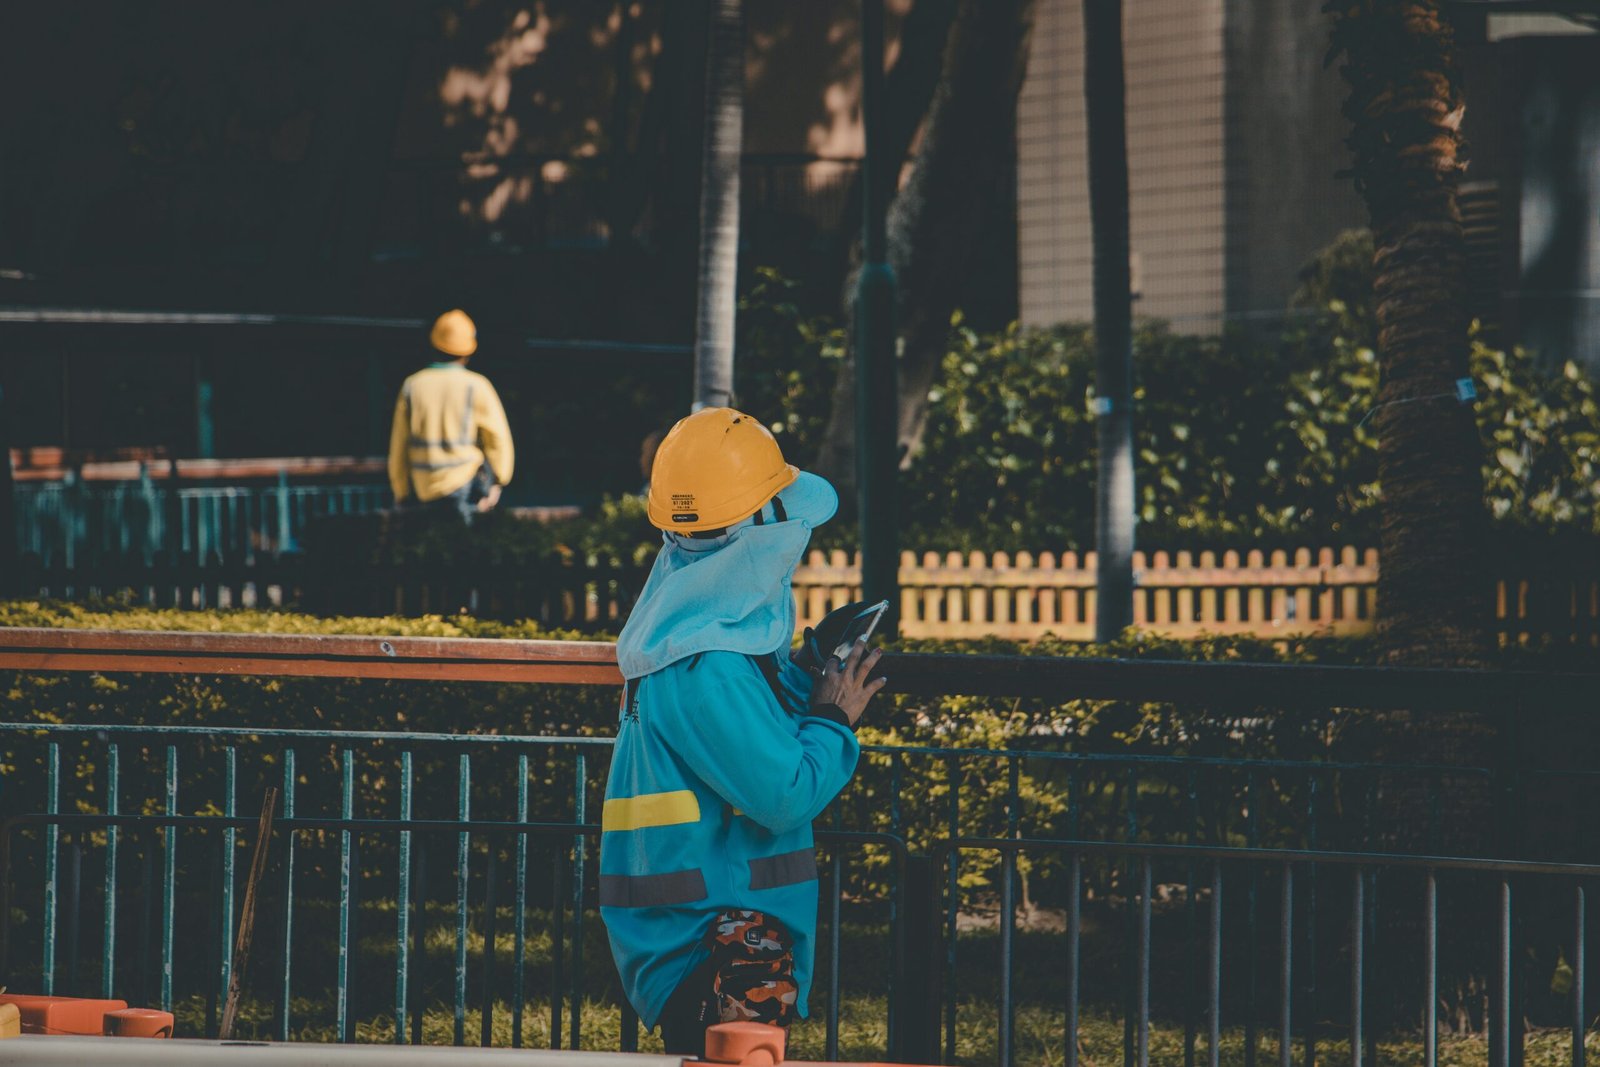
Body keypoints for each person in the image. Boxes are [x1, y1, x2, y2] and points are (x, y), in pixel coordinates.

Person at [600, 407, 887, 1054]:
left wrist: (803, 674)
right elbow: (784, 793)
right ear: (756, 534)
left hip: (692, 936)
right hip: (714, 946)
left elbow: (742, 735)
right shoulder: (708, 668)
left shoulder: (683, 639)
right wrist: (834, 717)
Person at [387, 309, 514, 523]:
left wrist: (401, 491)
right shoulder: (477, 385)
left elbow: (399, 444)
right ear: (468, 351)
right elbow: (497, 438)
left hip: (423, 488)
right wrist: (498, 481)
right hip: (466, 487)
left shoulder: (412, 386)